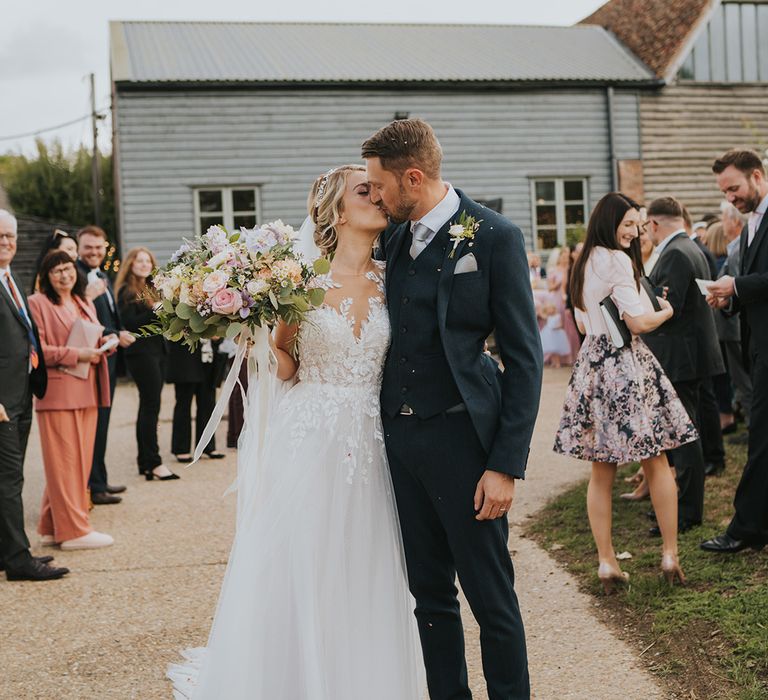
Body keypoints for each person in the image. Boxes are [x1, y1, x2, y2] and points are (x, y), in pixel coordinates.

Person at [168, 165, 424, 698]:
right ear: (335, 209)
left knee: (367, 562)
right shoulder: (300, 281)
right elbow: (286, 359)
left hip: (373, 437)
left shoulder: (393, 277)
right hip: (310, 435)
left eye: (379, 190)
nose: (380, 196)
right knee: (304, 560)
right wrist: (258, 348)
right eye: (365, 190)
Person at [364, 118, 542, 700]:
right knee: (430, 596)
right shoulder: (390, 240)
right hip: (400, 442)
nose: (377, 196)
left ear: (412, 177)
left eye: (381, 185)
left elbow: (524, 358)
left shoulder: (494, 237)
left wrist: (505, 465)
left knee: (491, 597)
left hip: (466, 445)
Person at [554, 192, 695, 591]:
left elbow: (583, 324)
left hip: (593, 364)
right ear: (610, 222)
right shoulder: (616, 259)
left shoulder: (582, 261)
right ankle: (670, 554)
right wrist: (665, 312)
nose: (635, 232)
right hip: (625, 365)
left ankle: (606, 562)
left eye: (638, 224)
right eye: (628, 224)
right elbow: (637, 322)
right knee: (657, 461)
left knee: (601, 471)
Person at [643, 197, 725, 530]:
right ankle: (681, 501)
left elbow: (669, 306)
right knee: (686, 430)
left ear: (653, 224)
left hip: (681, 355)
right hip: (690, 352)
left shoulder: (675, 252)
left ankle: (687, 510)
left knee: (684, 434)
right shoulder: (688, 247)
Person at [702, 149, 768, 553]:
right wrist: (731, 300)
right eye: (725, 191)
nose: (731, 198)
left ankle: (746, 528)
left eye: (734, 188)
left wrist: (737, 287)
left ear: (757, 176)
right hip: (758, 344)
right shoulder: (749, 225)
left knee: (760, 437)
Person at [28, 250, 115, 550]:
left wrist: (106, 343)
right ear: (46, 277)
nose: (64, 275)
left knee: (78, 462)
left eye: (67, 269)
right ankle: (74, 531)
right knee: (65, 464)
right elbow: (40, 350)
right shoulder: (37, 303)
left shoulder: (83, 301)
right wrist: (79, 354)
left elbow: (93, 335)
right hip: (58, 392)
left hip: (87, 388)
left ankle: (51, 527)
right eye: (56, 271)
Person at [0, 210, 68, 581]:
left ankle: (6, 550)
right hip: (2, 401)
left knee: (10, 479)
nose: (7, 242)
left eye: (10, 236)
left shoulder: (12, 278)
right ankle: (18, 559)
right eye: (0, 236)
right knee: (8, 480)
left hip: (22, 394)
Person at [76, 225, 133, 504]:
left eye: (99, 247)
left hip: (109, 358)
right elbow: (80, 317)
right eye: (88, 247)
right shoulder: (74, 277)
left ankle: (100, 480)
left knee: (104, 421)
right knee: (94, 423)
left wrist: (117, 332)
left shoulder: (104, 275)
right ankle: (93, 486)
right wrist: (112, 334)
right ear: (79, 247)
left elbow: (110, 314)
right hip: (90, 358)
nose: (94, 252)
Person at [115, 247, 175, 481]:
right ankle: (153, 462)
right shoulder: (126, 291)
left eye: (147, 260)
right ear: (130, 264)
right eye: (139, 261)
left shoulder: (153, 287)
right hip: (140, 354)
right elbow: (129, 322)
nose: (144, 264)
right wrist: (155, 311)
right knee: (150, 406)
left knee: (151, 406)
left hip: (157, 351)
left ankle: (146, 461)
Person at [719, 203, 752, 439]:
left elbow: (740, 285)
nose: (722, 225)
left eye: (724, 219)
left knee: (744, 380)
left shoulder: (740, 248)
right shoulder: (734, 247)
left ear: (735, 222)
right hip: (733, 325)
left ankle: (753, 428)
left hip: (736, 327)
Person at [166, 339, 227, 462]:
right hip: (185, 355)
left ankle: (207, 446)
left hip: (208, 355)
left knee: (208, 401)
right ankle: (181, 448)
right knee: (184, 402)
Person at [706, 222, 737, 439]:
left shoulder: (723, 262)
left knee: (732, 375)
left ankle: (730, 415)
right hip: (728, 325)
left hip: (728, 328)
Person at [30, 229, 78, 293]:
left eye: (76, 250)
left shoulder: (77, 273)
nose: (75, 255)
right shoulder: (43, 277)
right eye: (69, 249)